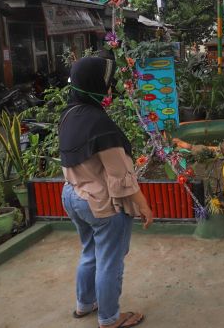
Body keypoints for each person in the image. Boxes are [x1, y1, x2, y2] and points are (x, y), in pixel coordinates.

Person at [60, 57, 153, 328]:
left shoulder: (69, 114)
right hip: (100, 204)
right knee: (110, 261)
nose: (110, 88)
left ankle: (84, 304)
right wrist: (143, 205)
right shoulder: (99, 123)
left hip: (72, 195)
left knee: (90, 252)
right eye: (107, 83)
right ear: (94, 85)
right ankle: (110, 318)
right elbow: (120, 175)